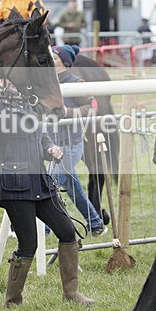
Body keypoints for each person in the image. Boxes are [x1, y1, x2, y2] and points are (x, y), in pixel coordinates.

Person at [0, 83, 94, 307]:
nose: (19, 84)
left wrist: (51, 148)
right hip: (15, 184)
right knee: (28, 244)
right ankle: (13, 300)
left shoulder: (29, 105)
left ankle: (71, 292)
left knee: (67, 231)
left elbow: (42, 136)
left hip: (39, 181)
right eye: (13, 81)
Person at [48, 45, 105, 236]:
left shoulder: (76, 82)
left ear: (64, 62)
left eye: (54, 59)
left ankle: (45, 229)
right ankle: (96, 223)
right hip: (53, 145)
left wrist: (67, 113)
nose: (50, 62)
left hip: (71, 145)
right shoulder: (46, 82)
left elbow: (92, 107)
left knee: (50, 185)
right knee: (73, 187)